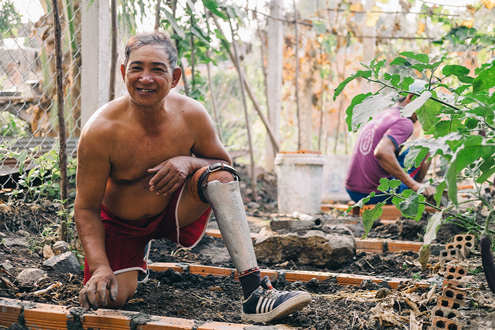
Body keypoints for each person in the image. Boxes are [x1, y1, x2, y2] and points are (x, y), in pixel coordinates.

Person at [74, 31, 310, 323]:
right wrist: (99, 266)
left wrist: (186, 161)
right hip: (122, 226)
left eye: (157, 69)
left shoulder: (191, 114)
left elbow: (224, 164)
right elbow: (85, 208)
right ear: (124, 72)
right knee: (108, 299)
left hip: (175, 209)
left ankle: (254, 292)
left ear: (174, 77)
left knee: (220, 177)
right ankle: (133, 259)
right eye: (137, 68)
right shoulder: (101, 130)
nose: (145, 78)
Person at [345, 81, 435, 204]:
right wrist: (414, 185)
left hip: (353, 191)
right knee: (426, 146)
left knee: (416, 147)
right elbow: (382, 152)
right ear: (411, 98)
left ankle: (416, 188)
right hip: (377, 194)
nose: (427, 111)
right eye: (425, 105)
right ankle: (418, 193)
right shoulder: (404, 121)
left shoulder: (384, 114)